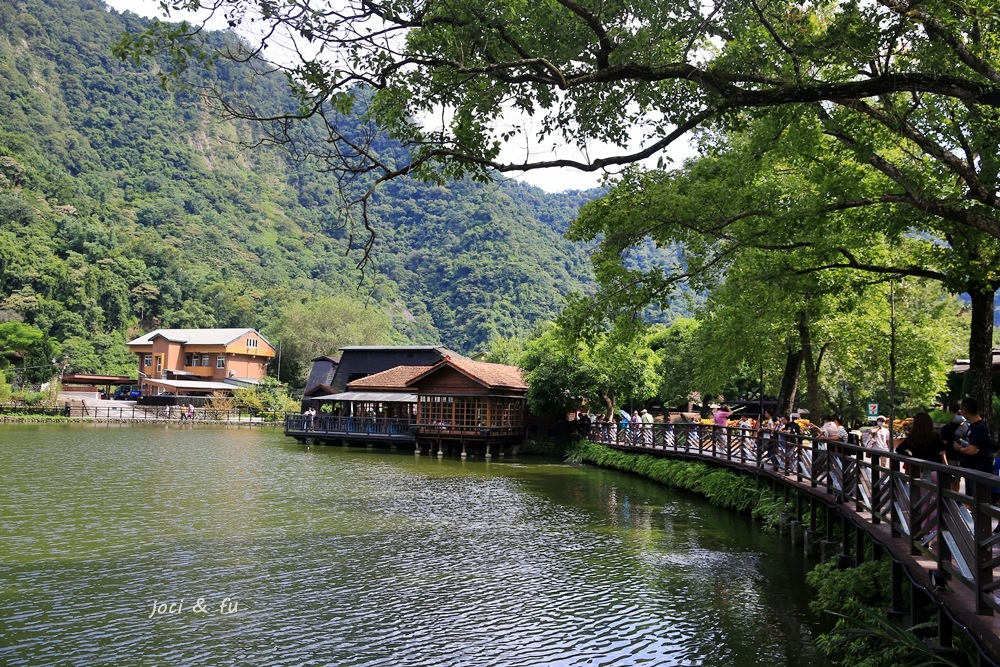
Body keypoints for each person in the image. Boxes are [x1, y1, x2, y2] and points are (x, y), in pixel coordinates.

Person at [938, 402, 967, 491]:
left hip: (965, 459)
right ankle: (954, 503)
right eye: (958, 413)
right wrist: (945, 463)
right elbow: (943, 448)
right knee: (953, 483)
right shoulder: (947, 428)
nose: (961, 416)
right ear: (953, 413)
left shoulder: (967, 427)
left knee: (969, 485)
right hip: (951, 460)